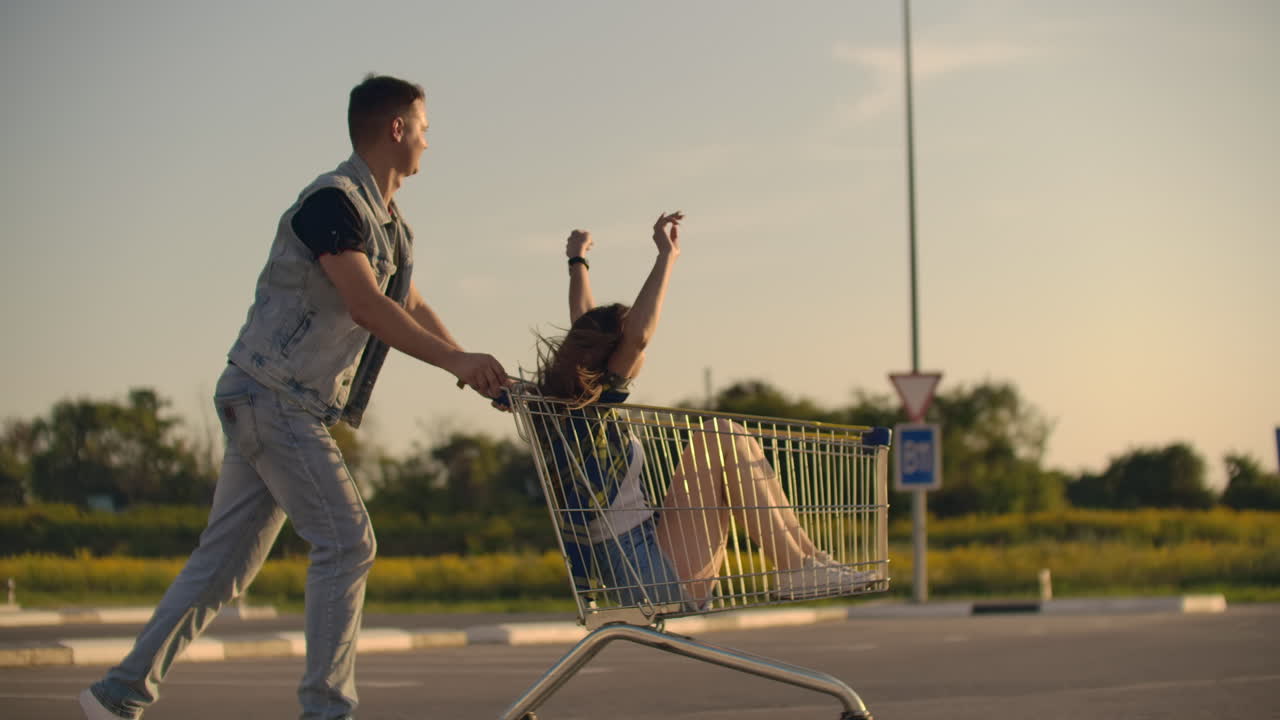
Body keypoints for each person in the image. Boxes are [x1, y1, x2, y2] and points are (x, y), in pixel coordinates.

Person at [80, 74, 508, 720]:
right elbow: (365, 304)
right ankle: (326, 710)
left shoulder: (392, 227)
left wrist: (467, 368)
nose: (428, 138)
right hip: (272, 397)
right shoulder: (331, 202)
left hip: (273, 401)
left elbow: (405, 301)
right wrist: (454, 359)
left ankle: (117, 695)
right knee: (348, 541)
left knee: (222, 567)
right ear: (396, 129)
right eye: (424, 125)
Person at [529, 213, 874, 613]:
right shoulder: (592, 407)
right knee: (719, 436)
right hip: (647, 575)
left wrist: (577, 262)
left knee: (726, 436)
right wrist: (667, 256)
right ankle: (799, 566)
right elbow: (638, 336)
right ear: (613, 355)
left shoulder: (577, 404)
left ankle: (807, 562)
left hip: (643, 555)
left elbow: (584, 323)